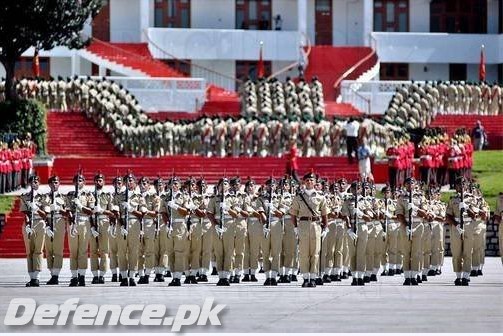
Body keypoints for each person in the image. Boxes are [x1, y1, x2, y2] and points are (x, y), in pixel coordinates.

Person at [290, 171, 329, 287]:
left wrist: (325, 227)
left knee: (315, 252)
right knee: (303, 253)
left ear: (315, 182)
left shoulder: (320, 197)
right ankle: (305, 277)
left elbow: (324, 213)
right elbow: (293, 214)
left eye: (312, 180)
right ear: (304, 182)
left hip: (316, 225)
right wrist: (296, 228)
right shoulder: (298, 197)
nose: (309, 182)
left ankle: (313, 277)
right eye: (307, 180)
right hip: (303, 225)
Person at [21, 175, 47, 287]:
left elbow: (45, 214)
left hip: (39, 222)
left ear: (39, 183)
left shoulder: (43, 197)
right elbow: (25, 213)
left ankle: (37, 277)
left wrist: (36, 208)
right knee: (29, 251)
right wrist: (27, 224)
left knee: (38, 250)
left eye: (36, 181)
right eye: (32, 181)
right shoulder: (24, 196)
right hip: (28, 224)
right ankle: (31, 277)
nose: (34, 183)